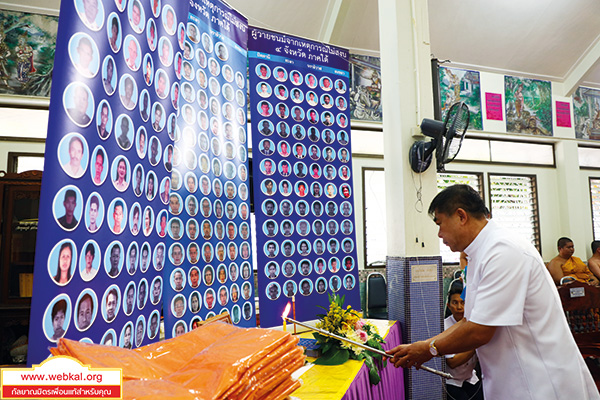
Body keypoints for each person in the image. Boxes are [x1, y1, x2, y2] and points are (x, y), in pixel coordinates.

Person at [386, 184, 599, 399]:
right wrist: (422, 345)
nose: (440, 234)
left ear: (461, 216)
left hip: (539, 381)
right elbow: (470, 319)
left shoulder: (503, 250)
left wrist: (428, 349)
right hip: (511, 378)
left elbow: (479, 330)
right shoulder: (480, 253)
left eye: (440, 224)